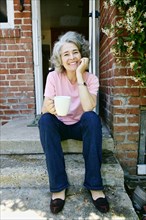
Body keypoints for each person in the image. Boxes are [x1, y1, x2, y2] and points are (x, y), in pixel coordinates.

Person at [38, 31, 109, 214]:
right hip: (60, 125)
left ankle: (95, 186)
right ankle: (58, 188)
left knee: (92, 119)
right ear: (60, 59)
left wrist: (79, 75)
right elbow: (45, 106)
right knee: (45, 121)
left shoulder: (91, 79)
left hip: (80, 126)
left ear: (82, 54)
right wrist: (49, 108)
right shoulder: (53, 76)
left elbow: (88, 107)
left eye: (75, 52)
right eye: (66, 54)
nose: (71, 57)